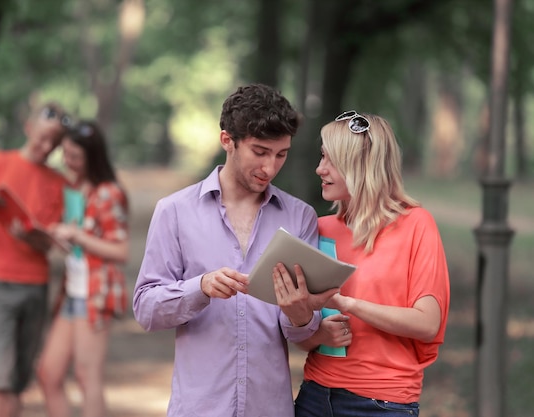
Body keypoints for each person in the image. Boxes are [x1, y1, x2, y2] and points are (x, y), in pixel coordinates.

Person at [132, 83, 340, 417]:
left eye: (281, 154)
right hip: (200, 408)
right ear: (227, 141)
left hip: (269, 408)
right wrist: (199, 287)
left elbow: (300, 330)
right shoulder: (174, 211)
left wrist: (301, 313)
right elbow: (146, 309)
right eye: (260, 152)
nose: (270, 168)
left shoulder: (299, 216)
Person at [274, 111, 451, 417]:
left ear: (360, 165)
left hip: (382, 404)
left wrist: (349, 304)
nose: (320, 169)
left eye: (331, 160)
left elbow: (427, 323)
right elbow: (307, 339)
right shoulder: (320, 228)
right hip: (315, 397)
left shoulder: (416, 225)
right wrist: (314, 330)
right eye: (321, 157)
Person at [0, 102, 71, 417]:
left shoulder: (58, 183)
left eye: (55, 143)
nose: (47, 148)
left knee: (18, 380)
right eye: (43, 138)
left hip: (35, 284)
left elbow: (56, 243)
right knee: (1, 380)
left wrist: (32, 237)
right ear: (28, 127)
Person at [36, 120, 129, 417]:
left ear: (92, 157)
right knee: (48, 374)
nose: (68, 161)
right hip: (72, 292)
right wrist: (56, 235)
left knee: (87, 377)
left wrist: (78, 236)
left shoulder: (108, 193)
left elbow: (121, 250)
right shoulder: (74, 189)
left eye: (75, 156)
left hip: (95, 294)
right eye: (65, 153)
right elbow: (78, 250)